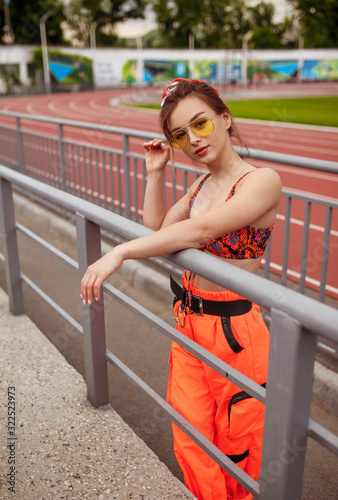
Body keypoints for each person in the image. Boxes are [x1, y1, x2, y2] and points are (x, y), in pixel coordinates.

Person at [80, 78, 282, 500]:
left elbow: (200, 231)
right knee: (190, 439)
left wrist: (119, 252)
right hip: (189, 322)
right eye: (180, 134)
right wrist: (155, 174)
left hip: (235, 336)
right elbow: (155, 231)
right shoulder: (199, 186)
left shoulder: (262, 180)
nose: (193, 139)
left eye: (201, 124)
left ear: (225, 119)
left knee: (238, 447)